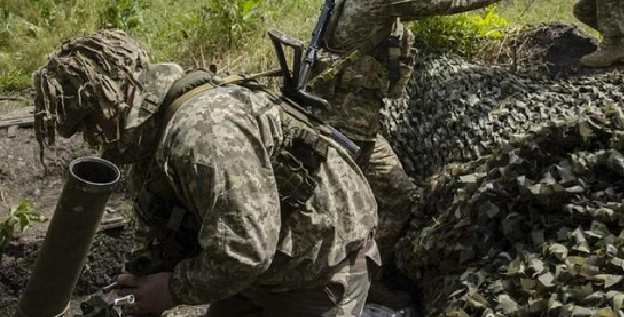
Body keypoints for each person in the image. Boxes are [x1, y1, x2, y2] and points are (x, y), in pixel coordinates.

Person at [32, 29, 379, 317]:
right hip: (262, 266)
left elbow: (245, 251)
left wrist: (170, 290)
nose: (92, 138)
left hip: (319, 269)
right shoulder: (151, 132)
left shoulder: (203, 132)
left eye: (91, 120)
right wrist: (147, 273)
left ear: (116, 94)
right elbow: (161, 220)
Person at [305, 0, 536, 302]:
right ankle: (339, 287)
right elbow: (443, 1)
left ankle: (365, 281)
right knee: (360, 205)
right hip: (345, 128)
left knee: (398, 198)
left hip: (355, 124)